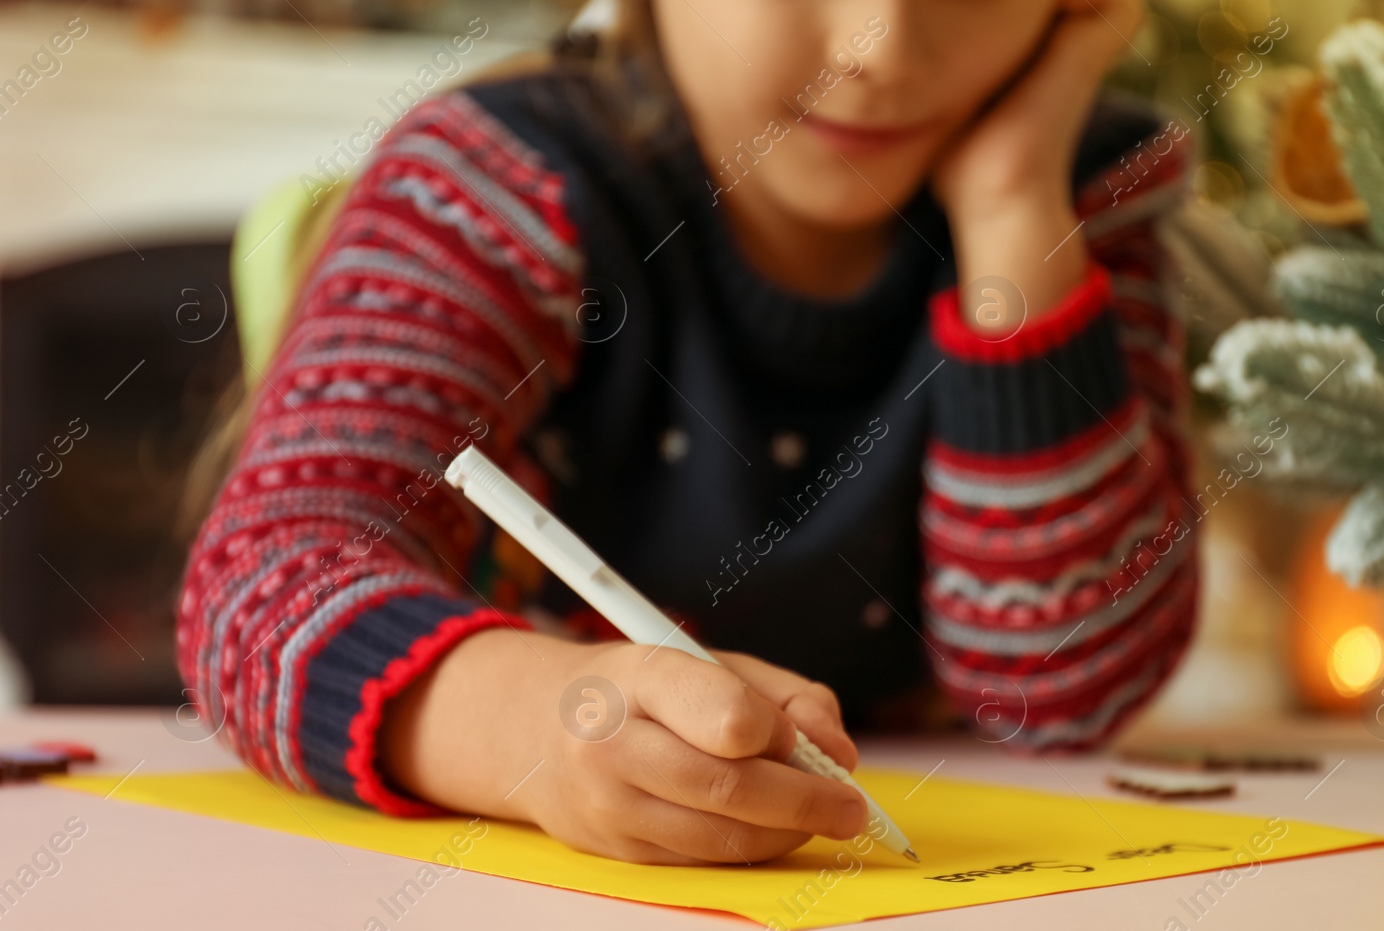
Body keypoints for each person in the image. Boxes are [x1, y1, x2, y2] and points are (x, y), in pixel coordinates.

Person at [179, 0, 1198, 865]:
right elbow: (260, 582)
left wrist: (1014, 205)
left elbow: (1065, 686)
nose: (878, 51)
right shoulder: (495, 185)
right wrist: (536, 726)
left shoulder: (1076, 197)